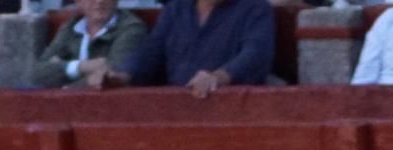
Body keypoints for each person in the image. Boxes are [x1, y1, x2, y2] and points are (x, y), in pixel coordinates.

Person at [105, 0, 273, 98]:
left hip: (230, 106)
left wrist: (218, 77)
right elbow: (151, 51)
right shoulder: (176, 9)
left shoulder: (256, 9)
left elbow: (256, 53)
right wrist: (123, 75)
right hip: (176, 105)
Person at [30, 0, 147, 89]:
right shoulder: (71, 27)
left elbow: (111, 77)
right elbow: (37, 74)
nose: (99, 1)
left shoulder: (131, 28)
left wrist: (67, 88)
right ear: (78, 2)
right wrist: (81, 66)